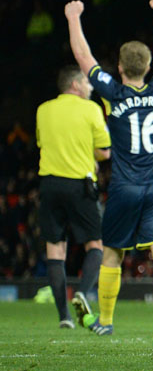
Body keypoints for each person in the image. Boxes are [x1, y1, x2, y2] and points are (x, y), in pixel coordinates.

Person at [65, 0, 153, 337]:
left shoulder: (113, 94)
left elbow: (83, 58)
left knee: (113, 252)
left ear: (119, 67)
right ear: (147, 67)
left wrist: (74, 18)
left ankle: (107, 320)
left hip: (125, 187)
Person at [35, 65, 111, 328]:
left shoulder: (43, 110)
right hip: (80, 185)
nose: (91, 88)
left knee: (55, 250)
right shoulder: (90, 109)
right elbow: (104, 151)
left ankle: (64, 317)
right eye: (88, 84)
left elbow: (43, 143)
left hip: (49, 185)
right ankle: (83, 291)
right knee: (96, 245)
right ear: (76, 85)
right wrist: (90, 154)